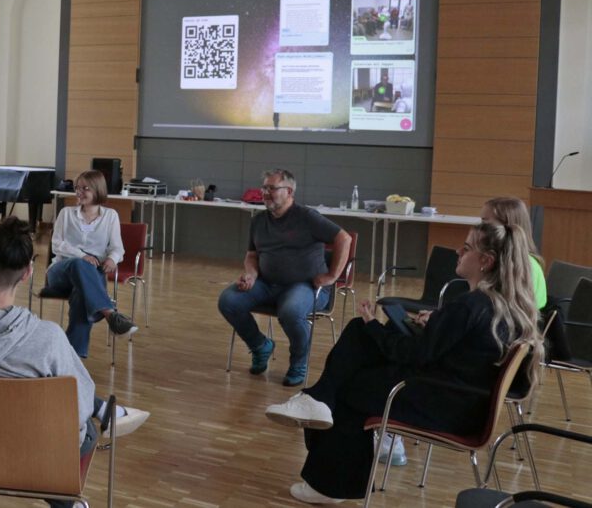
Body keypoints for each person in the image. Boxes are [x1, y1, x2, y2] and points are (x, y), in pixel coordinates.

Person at [264, 222, 543, 504]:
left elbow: (414, 354)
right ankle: (317, 406)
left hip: (445, 404)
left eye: (468, 248)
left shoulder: (470, 306)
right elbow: (450, 348)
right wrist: (431, 324)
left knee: (352, 383)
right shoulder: (502, 306)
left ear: (486, 261)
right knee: (361, 341)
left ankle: (328, 480)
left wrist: (375, 326)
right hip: (463, 401)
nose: (459, 251)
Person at [0, 216, 150, 508]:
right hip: (35, 459)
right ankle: (66, 501)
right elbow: (80, 407)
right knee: (87, 429)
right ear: (27, 274)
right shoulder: (48, 337)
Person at [218, 169, 351, 387]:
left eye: (272, 188)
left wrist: (332, 276)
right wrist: (250, 275)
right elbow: (252, 256)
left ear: (289, 191)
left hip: (305, 286)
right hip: (268, 284)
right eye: (264, 188)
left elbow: (343, 239)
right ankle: (261, 346)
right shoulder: (259, 220)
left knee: (290, 311)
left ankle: (299, 361)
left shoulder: (307, 217)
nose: (265, 193)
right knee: (228, 301)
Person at [46, 170, 138, 358]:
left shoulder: (110, 216)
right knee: (80, 264)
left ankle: (73, 356)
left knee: (81, 296)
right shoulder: (66, 213)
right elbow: (56, 244)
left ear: (97, 190)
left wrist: (112, 259)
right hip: (60, 272)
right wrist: (81, 256)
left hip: (90, 278)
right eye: (77, 188)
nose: (79, 192)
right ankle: (110, 314)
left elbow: (117, 248)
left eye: (84, 188)